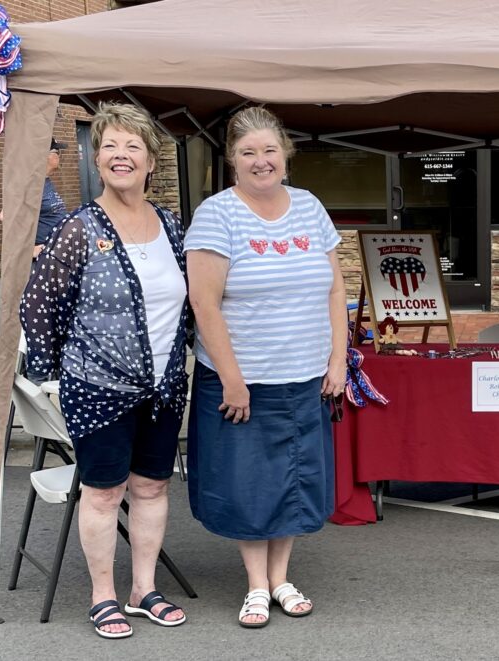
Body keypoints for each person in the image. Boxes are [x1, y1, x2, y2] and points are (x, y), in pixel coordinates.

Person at [21, 103, 189, 639]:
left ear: (150, 162)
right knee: (102, 492)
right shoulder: (78, 228)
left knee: (153, 488)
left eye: (132, 146)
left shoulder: (170, 225)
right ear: (98, 160)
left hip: (163, 385)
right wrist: (48, 376)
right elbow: (40, 304)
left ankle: (144, 588)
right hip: (97, 386)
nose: (121, 155)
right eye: (110, 146)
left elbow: (192, 300)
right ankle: (103, 595)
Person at [185, 106, 347, 629]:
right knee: (249, 484)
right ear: (232, 159)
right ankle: (256, 584)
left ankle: (281, 577)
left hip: (305, 376)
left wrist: (339, 358)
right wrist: (232, 380)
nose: (261, 161)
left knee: (293, 481)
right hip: (243, 383)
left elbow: (336, 287)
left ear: (287, 154)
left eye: (270, 150)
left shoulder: (309, 207)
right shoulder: (217, 214)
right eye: (249, 152)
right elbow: (204, 305)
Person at [33, 138, 69, 258]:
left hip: (56, 252)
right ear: (45, 155)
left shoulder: (46, 181)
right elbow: (6, 216)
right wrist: (29, 249)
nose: (59, 156)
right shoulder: (31, 184)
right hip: (43, 257)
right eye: (57, 152)